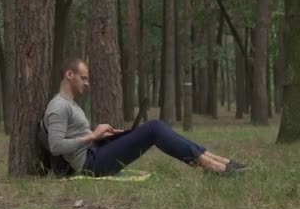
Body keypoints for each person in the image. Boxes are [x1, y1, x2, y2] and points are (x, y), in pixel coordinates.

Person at [43, 58, 248, 177]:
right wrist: (92, 136)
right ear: (69, 75)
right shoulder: (58, 107)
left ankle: (221, 161)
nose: (86, 83)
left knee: (154, 128)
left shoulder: (71, 104)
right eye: (83, 78)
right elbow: (56, 146)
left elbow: (77, 137)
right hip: (89, 165)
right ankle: (214, 167)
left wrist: (103, 135)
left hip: (95, 151)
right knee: (155, 128)